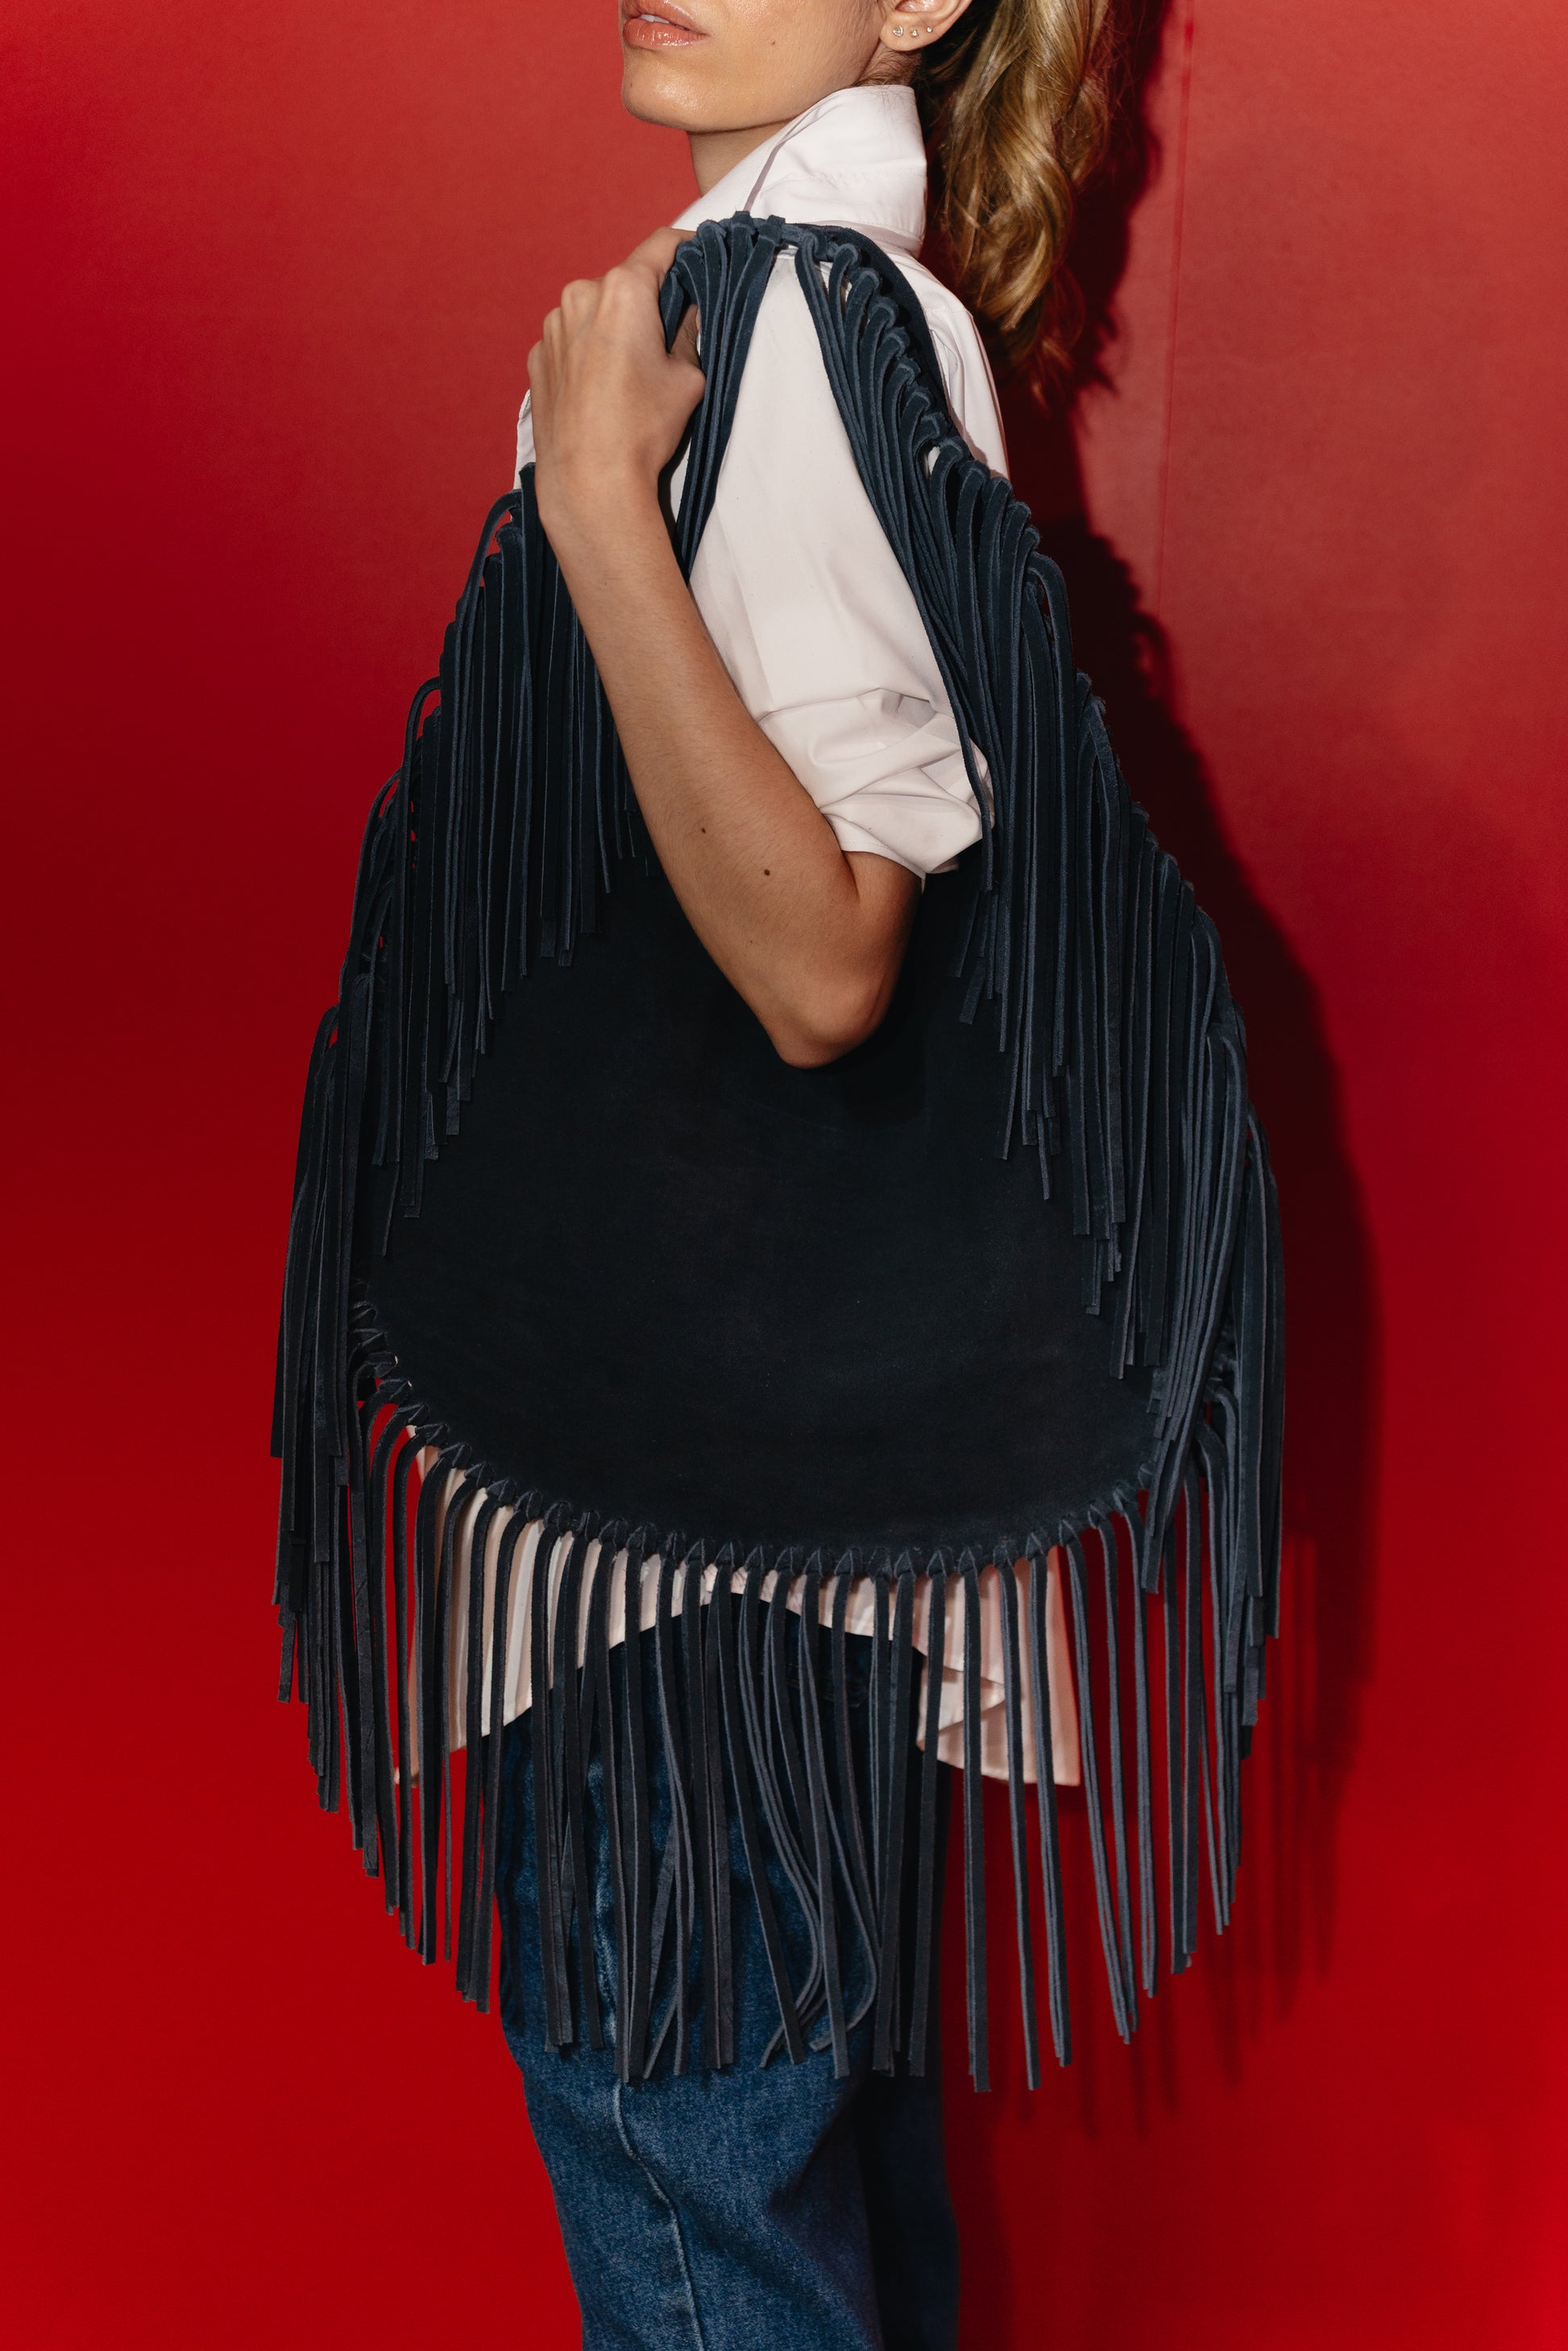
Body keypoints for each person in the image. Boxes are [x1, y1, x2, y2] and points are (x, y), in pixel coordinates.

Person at [272, 4, 1284, 2346]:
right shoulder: (801, 295)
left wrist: (593, 512)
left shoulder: (796, 317)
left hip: (694, 1538)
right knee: (797, 2190)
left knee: (692, 2191)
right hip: (784, 1509)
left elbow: (827, 961)